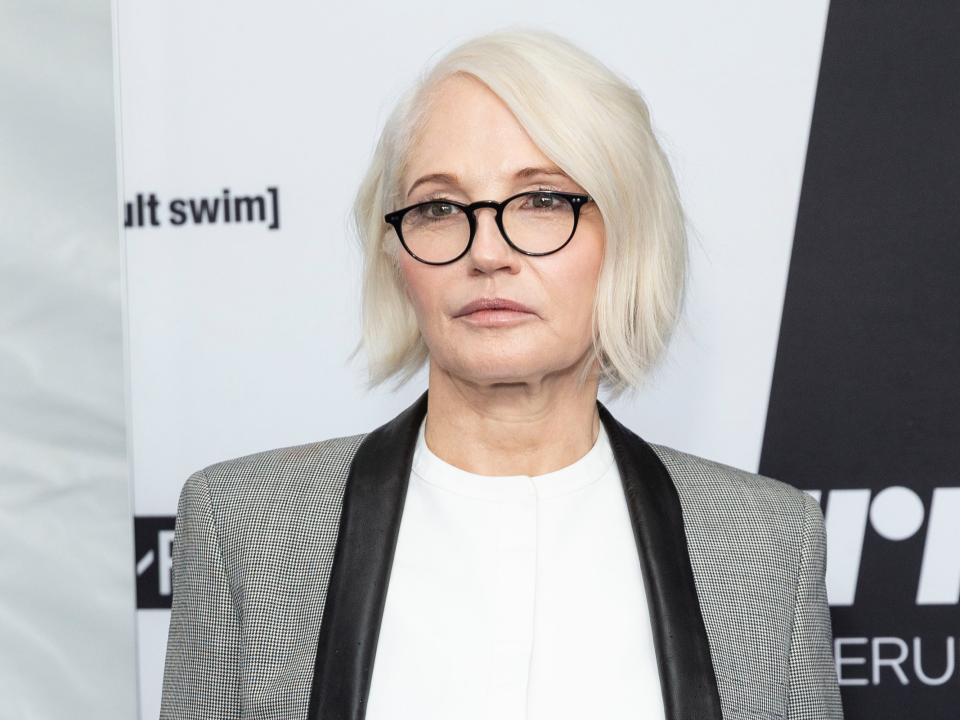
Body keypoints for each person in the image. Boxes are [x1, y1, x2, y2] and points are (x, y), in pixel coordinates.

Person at [159, 27, 843, 720]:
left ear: (629, 234)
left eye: (543, 200)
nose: (486, 252)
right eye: (438, 208)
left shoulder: (766, 541)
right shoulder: (245, 525)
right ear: (396, 254)